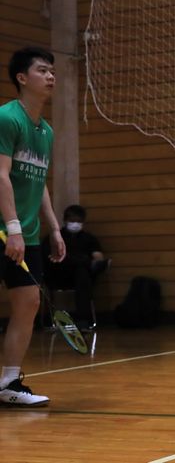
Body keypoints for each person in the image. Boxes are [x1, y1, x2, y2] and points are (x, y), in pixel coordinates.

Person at [0, 47, 66, 406]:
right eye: (43, 70)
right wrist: (11, 227)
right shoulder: (7, 119)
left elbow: (38, 182)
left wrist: (53, 228)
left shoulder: (47, 132)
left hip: (23, 233)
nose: (51, 76)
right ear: (22, 78)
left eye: (53, 71)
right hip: (4, 228)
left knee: (27, 301)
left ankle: (9, 382)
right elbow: (0, 176)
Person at [42, 204, 109, 328]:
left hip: (81, 278)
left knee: (82, 272)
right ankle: (86, 263)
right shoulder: (55, 238)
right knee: (79, 262)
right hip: (58, 274)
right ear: (66, 220)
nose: (75, 224)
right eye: (72, 220)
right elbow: (49, 258)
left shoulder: (89, 239)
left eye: (78, 221)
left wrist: (96, 262)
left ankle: (83, 319)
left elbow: (98, 256)